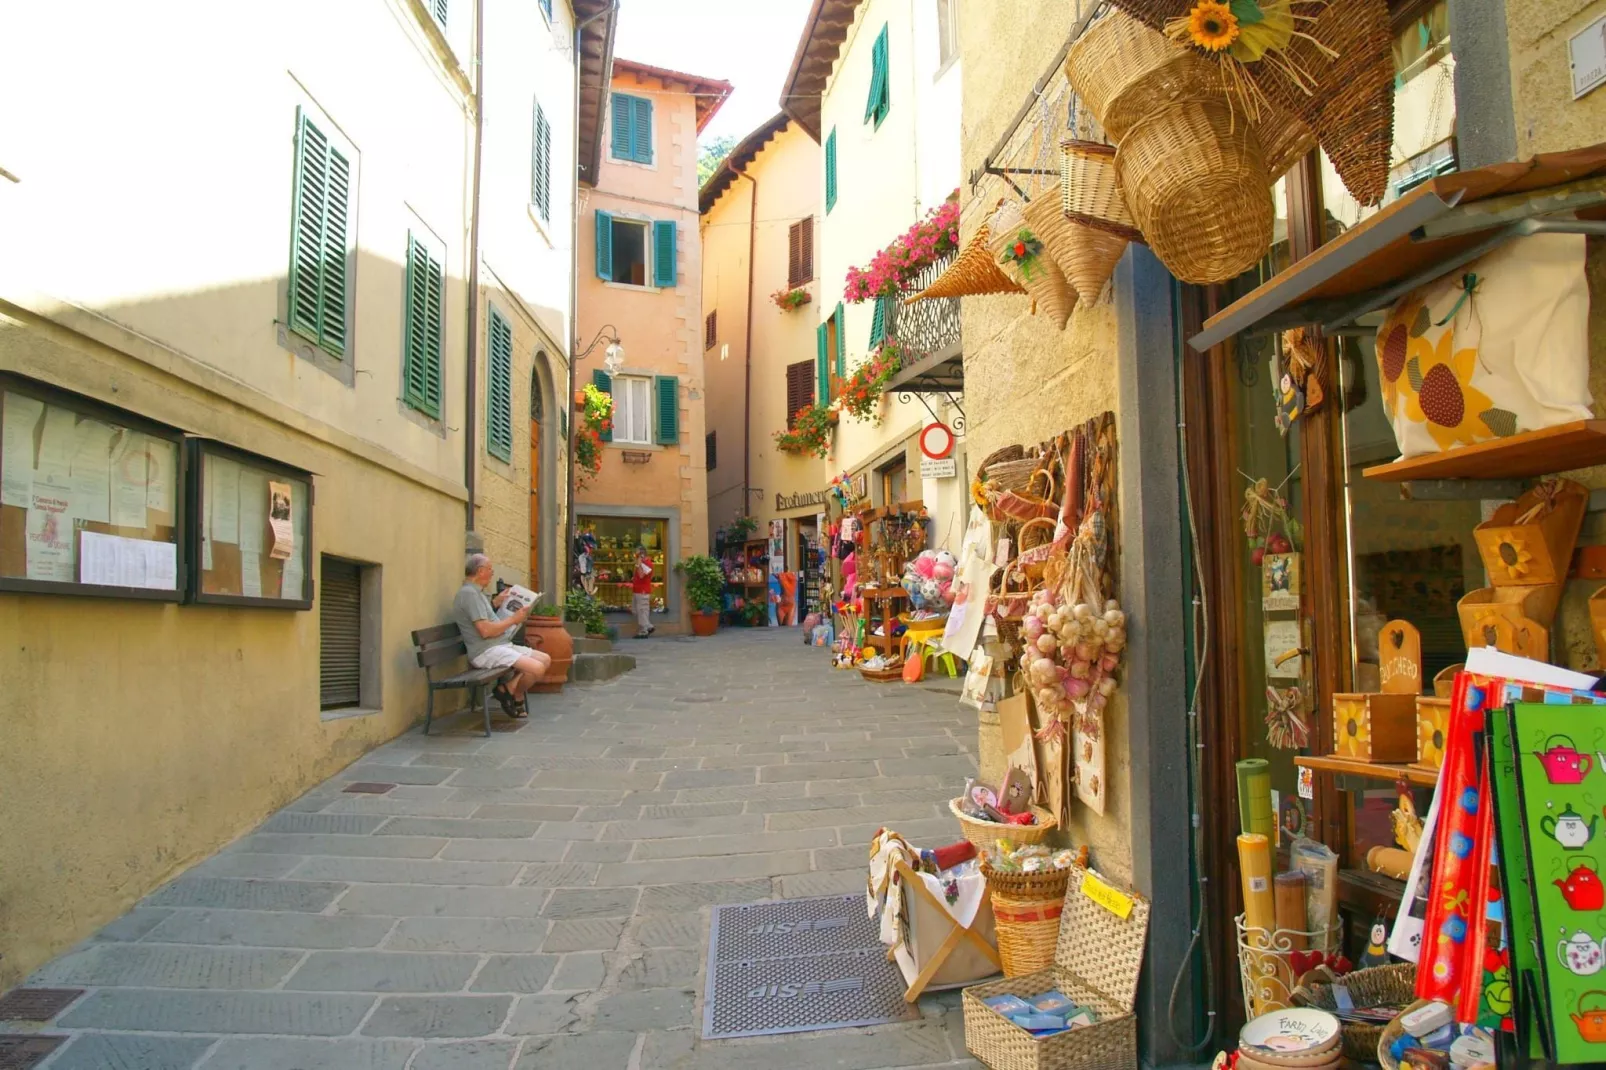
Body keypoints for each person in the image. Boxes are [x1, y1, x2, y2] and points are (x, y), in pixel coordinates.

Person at [451, 554, 551, 717]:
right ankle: (509, 692)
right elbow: (485, 631)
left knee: (545, 659)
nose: (492, 573)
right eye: (490, 569)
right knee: (537, 668)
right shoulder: (469, 594)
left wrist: (496, 603)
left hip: (498, 645)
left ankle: (509, 689)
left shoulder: (476, 593)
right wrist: (513, 619)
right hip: (486, 650)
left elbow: (481, 617)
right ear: (480, 571)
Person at [631, 546, 656, 638]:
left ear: (641, 554)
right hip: (638, 590)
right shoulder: (642, 563)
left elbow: (641, 575)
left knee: (642, 610)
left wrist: (638, 564)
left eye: (636, 554)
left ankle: (646, 629)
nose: (635, 556)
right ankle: (646, 628)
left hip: (643, 591)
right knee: (638, 610)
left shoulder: (647, 563)